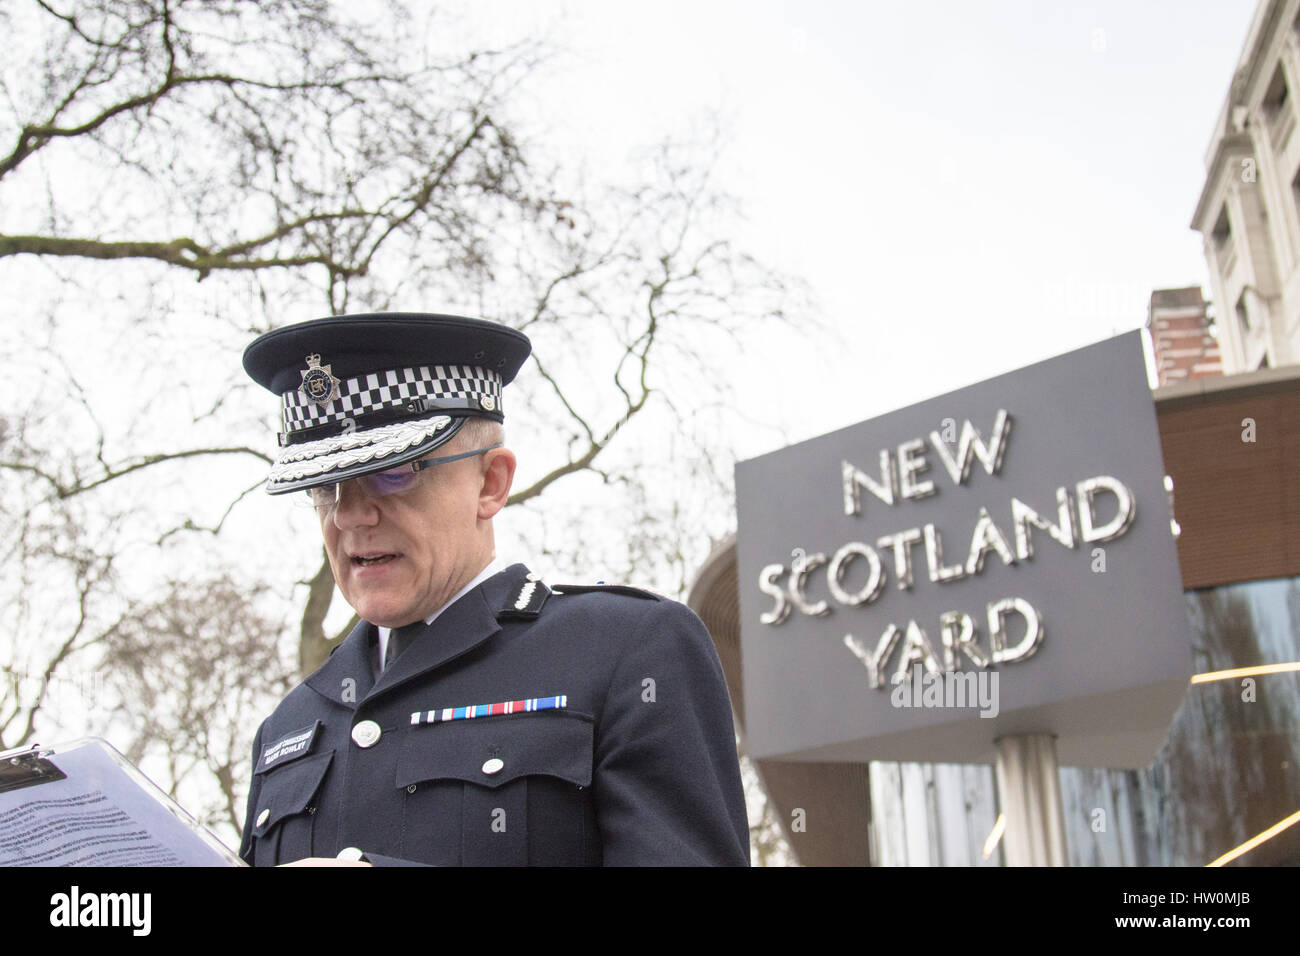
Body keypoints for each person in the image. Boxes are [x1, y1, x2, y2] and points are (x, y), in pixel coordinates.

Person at [237, 311, 750, 866]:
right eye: (325, 486)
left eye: (394, 473)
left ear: (490, 483)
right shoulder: (289, 724)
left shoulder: (628, 651)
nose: (350, 515)